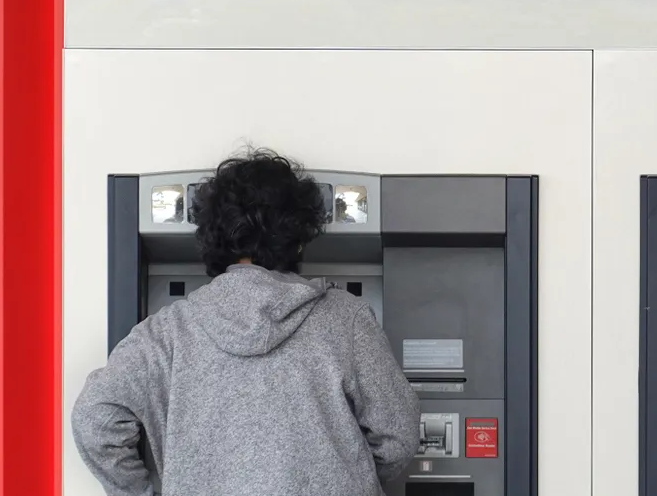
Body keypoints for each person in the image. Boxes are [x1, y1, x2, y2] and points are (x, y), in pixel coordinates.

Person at [72, 148, 420, 496]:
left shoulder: (165, 333)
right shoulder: (347, 319)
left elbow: (95, 421)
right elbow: (399, 435)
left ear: (212, 239)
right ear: (297, 240)